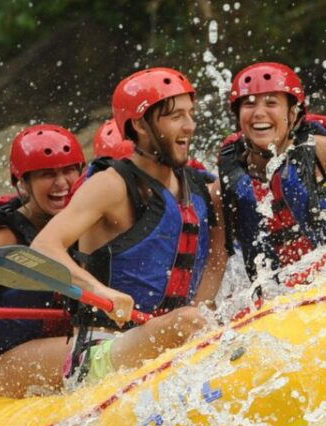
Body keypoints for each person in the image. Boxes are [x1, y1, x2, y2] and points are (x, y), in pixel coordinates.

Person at [30, 67, 227, 387]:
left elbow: (218, 255)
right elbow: (44, 246)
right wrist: (99, 291)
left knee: (195, 319)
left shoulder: (200, 187)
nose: (189, 126)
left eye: (191, 114)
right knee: (189, 323)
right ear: (140, 124)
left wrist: (200, 308)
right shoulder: (111, 185)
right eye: (176, 116)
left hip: (173, 335)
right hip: (104, 348)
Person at [218, 62, 326, 284]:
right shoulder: (228, 180)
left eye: (272, 103)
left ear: (294, 113)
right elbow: (218, 253)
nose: (259, 113)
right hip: (278, 297)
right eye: (249, 105)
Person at [0, 125, 84, 397]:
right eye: (47, 174)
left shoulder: (86, 224)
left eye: (68, 171)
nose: (61, 183)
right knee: (94, 350)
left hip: (54, 354)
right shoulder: (4, 237)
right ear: (23, 183)